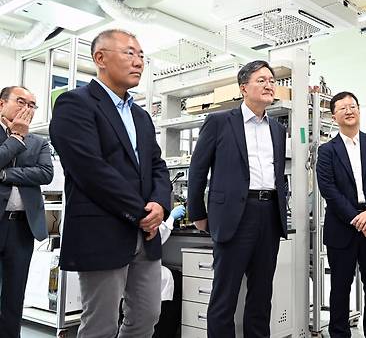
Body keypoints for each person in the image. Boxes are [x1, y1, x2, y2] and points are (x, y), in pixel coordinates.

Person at [49, 29, 172, 338]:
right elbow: (90, 170)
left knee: (146, 316)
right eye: (129, 53)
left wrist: (160, 204)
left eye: (141, 55)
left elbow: (157, 166)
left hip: (146, 234)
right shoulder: (74, 104)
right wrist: (142, 212)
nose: (139, 62)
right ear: (100, 58)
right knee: (101, 325)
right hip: (103, 230)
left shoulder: (141, 116)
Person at [187, 60, 288, 338]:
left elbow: (278, 174)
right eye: (261, 80)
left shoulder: (278, 129)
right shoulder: (220, 122)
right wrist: (197, 213)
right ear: (244, 88)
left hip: (269, 216)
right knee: (225, 295)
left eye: (271, 80)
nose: (269, 85)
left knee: (261, 294)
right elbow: (198, 169)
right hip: (233, 216)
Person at [316, 91, 366, 338]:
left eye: (353, 106)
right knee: (340, 286)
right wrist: (357, 218)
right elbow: (328, 189)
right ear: (333, 115)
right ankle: (338, 333)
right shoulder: (327, 150)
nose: (349, 111)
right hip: (343, 225)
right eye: (342, 108)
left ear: (359, 110)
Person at [0, 86, 53, 337]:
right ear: (2, 104)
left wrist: (5, 174)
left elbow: (45, 173)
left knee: (15, 293)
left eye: (32, 105)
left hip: (22, 227)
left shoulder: (39, 142)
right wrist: (15, 139)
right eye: (21, 102)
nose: (27, 109)